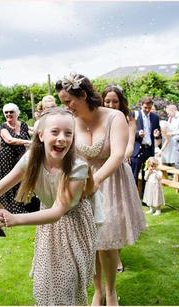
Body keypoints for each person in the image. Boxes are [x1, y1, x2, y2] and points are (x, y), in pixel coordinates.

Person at [0, 107, 97, 305]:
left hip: (73, 224)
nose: (62, 138)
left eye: (68, 133)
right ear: (41, 134)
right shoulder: (31, 159)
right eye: (55, 132)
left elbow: (58, 211)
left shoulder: (76, 166)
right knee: (47, 280)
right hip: (48, 224)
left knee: (66, 284)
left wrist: (14, 218)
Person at [56, 73, 145, 306]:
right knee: (91, 242)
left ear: (83, 95)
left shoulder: (115, 117)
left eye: (68, 101)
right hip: (83, 184)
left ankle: (112, 290)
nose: (66, 107)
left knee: (108, 242)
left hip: (112, 182)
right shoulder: (70, 121)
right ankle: (97, 291)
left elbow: (117, 155)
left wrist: (94, 182)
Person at [101, 84, 136, 272]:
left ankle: (117, 257)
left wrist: (123, 153)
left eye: (115, 101)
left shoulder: (127, 118)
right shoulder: (98, 117)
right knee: (104, 217)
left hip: (118, 173)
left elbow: (130, 143)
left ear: (121, 102)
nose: (111, 104)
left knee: (118, 217)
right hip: (100, 173)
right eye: (107, 101)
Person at [0, 102, 32, 214]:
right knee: (7, 182)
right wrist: (30, 142)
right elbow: (10, 140)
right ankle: (8, 209)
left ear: (17, 113)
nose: (8, 114)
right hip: (6, 159)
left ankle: (22, 207)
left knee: (20, 181)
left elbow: (36, 130)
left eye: (11, 112)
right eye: (6, 112)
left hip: (20, 158)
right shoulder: (3, 126)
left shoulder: (23, 125)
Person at [131, 97, 161, 200]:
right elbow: (128, 132)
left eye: (149, 107)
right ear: (141, 105)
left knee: (148, 175)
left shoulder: (155, 117)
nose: (147, 109)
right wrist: (137, 133)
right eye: (145, 107)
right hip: (137, 149)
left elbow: (158, 134)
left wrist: (157, 135)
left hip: (149, 149)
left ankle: (146, 198)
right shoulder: (134, 115)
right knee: (134, 175)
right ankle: (133, 199)